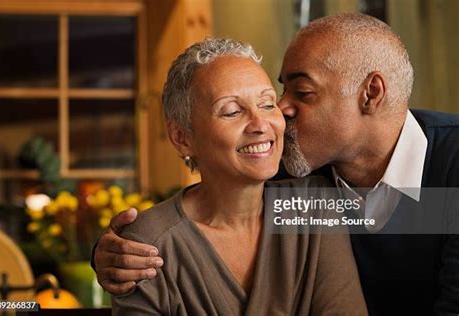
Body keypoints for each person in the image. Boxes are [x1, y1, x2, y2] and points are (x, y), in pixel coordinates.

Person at [95, 13, 459, 315]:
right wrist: (110, 253)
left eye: (302, 93)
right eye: (280, 94)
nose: (278, 114)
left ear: (371, 94)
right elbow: (210, 204)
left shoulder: (450, 166)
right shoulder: (293, 169)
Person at [111, 37, 366, 315]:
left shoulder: (313, 206)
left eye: (268, 104)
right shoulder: (147, 244)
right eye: (232, 111)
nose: (260, 124)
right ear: (182, 137)